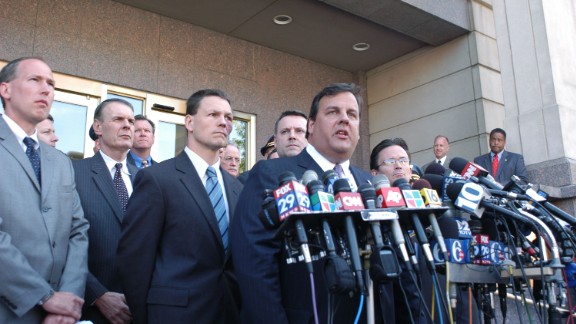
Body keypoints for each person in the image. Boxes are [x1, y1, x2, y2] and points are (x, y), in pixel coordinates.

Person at [231, 83, 393, 323]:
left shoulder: (368, 184)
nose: (344, 120)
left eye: (352, 115)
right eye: (333, 112)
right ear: (312, 125)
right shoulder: (271, 174)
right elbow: (253, 265)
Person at [117, 89, 243, 323]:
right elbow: (135, 259)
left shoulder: (237, 188)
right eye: (213, 114)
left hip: (231, 313)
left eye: (228, 117)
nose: (223, 122)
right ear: (189, 122)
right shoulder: (157, 179)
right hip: (174, 315)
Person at [0, 57, 88, 323]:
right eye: (34, 80)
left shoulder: (60, 161)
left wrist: (67, 300)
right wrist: (44, 296)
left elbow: (78, 230)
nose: (46, 89)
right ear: (5, 90)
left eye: (51, 83)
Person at [73, 98, 138, 323]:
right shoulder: (73, 172)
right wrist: (97, 294)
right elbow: (61, 240)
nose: (128, 125)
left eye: (131, 120)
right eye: (118, 119)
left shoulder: (148, 180)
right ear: (97, 127)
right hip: (92, 309)